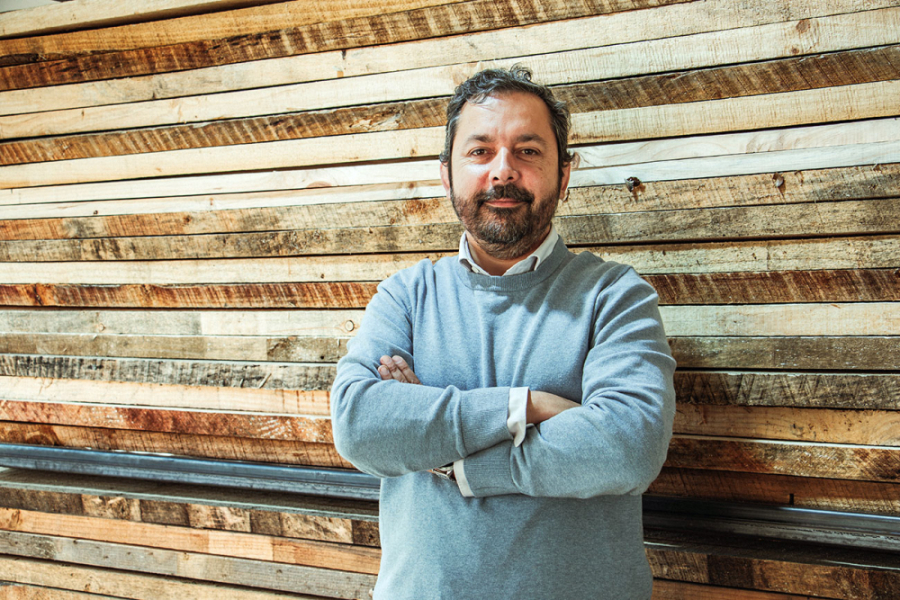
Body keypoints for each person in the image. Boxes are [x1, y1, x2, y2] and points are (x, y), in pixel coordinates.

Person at [330, 66, 676, 599]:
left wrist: (449, 457)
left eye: (528, 151)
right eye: (480, 151)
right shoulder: (406, 295)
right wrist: (527, 406)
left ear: (564, 173)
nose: (503, 171)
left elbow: (626, 446)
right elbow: (359, 425)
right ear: (447, 174)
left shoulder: (615, 295)